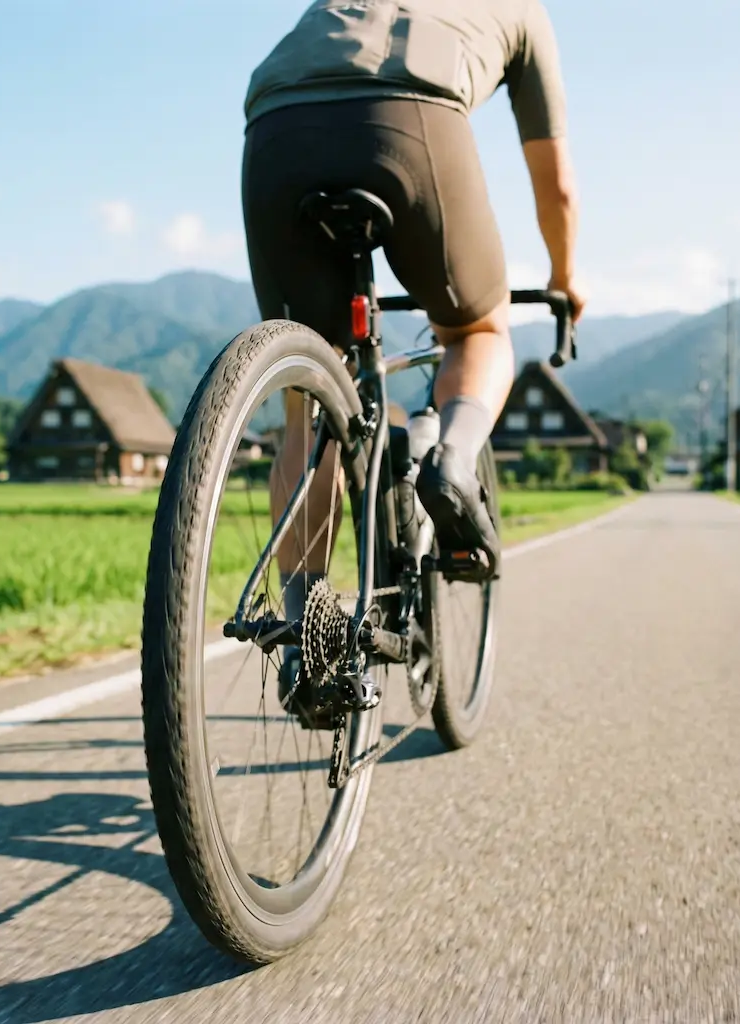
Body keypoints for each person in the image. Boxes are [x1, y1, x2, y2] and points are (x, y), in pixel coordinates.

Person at [240, 0, 586, 712]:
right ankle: (450, 460)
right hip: (411, 115)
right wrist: (564, 279)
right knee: (478, 332)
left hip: (276, 123)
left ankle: (307, 629)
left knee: (310, 398)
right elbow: (556, 185)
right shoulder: (524, 14)